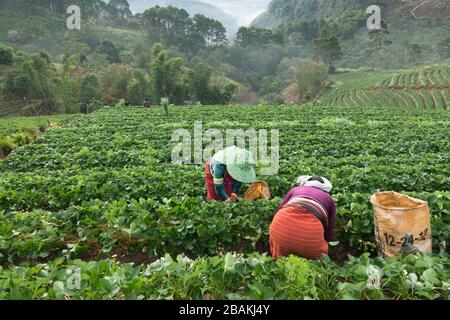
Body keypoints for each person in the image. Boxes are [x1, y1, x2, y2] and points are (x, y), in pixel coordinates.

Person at [269, 176, 336, 260]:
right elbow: (329, 235)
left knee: (281, 262)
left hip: (280, 227)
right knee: (315, 263)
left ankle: (280, 262)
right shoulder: (329, 199)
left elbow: (278, 211)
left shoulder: (295, 189)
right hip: (309, 237)